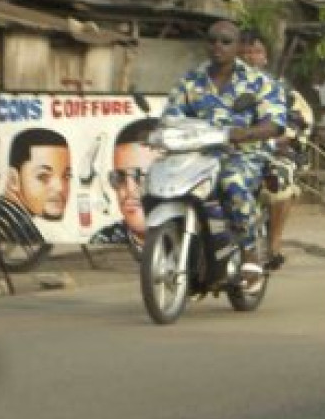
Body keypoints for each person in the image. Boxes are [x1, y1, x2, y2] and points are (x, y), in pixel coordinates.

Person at [163, 20, 286, 281]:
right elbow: (172, 115)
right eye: (212, 40)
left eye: (226, 41)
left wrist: (247, 133)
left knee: (232, 182)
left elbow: (275, 123)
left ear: (239, 46)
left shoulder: (258, 82)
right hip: (198, 155)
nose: (217, 46)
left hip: (243, 154)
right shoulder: (191, 80)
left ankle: (250, 251)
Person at [239, 29, 313, 271]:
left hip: (273, 152)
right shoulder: (219, 88)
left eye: (256, 52)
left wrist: (281, 137)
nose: (250, 57)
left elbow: (300, 120)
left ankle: (273, 245)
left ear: (265, 58)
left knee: (277, 180)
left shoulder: (279, 89)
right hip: (231, 152)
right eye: (244, 52)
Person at [89, 116, 159, 247]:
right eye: (119, 177)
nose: (129, 190)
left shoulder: (196, 242)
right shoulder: (105, 243)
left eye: (142, 177)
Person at [2, 127, 72, 223]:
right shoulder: (6, 227)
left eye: (66, 176)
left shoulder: (15, 223)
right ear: (14, 180)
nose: (60, 188)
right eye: (43, 176)